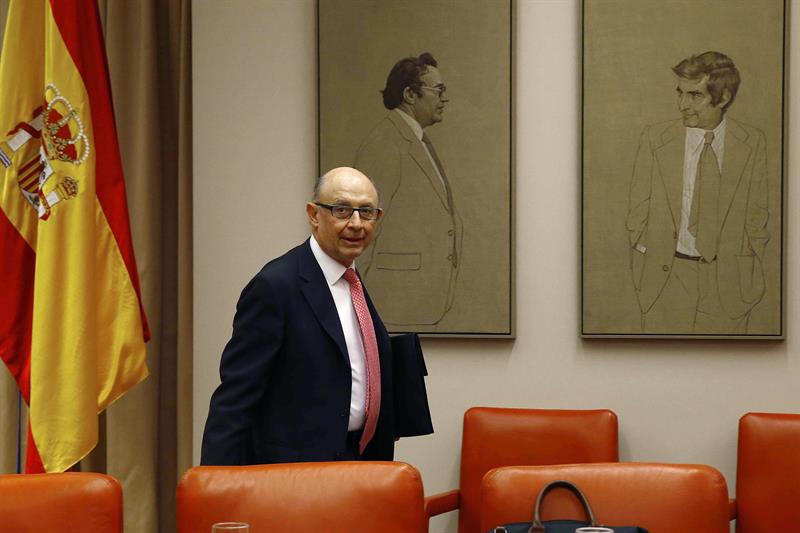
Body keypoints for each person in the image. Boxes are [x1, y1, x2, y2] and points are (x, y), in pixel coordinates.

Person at [201, 167, 396, 464]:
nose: (356, 224)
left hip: (358, 461)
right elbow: (236, 397)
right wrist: (215, 484)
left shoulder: (352, 281)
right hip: (296, 473)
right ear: (314, 215)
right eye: (342, 210)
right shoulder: (275, 285)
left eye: (366, 212)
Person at [627, 51, 769, 334]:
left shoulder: (752, 142)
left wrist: (751, 259)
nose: (682, 105)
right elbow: (637, 210)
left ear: (723, 98)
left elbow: (759, 214)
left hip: (730, 284)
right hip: (666, 279)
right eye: (680, 93)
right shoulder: (655, 139)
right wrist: (643, 253)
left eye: (695, 96)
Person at [354, 52, 463, 327]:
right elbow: (362, 228)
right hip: (394, 301)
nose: (445, 99)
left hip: (419, 301)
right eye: (439, 90)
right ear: (410, 95)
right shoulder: (385, 143)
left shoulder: (416, 140)